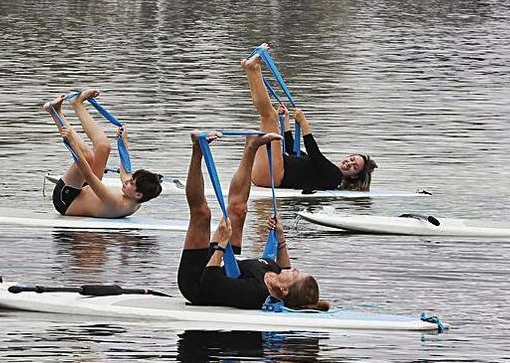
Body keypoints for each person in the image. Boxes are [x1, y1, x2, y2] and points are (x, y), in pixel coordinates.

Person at [177, 131, 329, 311]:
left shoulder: (255, 293)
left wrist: (221, 245)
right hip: (226, 262)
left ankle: (197, 150)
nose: (293, 269)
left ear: (284, 289)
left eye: (295, 274)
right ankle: (252, 146)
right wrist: (279, 237)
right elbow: (284, 264)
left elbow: (211, 280)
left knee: (202, 214)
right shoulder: (278, 274)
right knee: (238, 210)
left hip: (201, 280)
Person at [241, 46, 374, 192]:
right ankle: (252, 69)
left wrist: (304, 123)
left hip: (273, 175)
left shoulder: (333, 177)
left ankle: (252, 69)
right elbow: (293, 149)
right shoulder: (322, 169)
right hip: (269, 171)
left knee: (269, 116)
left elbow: (314, 153)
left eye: (354, 167)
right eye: (352, 159)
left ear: (354, 177)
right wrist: (286, 122)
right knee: (270, 118)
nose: (349, 163)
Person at [43, 89, 162, 219]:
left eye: (131, 183)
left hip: (66, 199)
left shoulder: (116, 203)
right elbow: (126, 172)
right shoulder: (136, 197)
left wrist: (72, 143)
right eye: (131, 180)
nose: (127, 181)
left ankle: (55, 112)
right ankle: (77, 103)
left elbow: (87, 174)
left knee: (87, 156)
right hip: (85, 190)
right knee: (104, 147)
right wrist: (124, 142)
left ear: (138, 194)